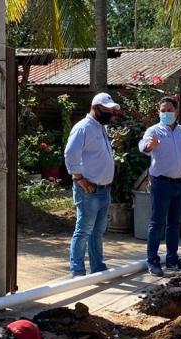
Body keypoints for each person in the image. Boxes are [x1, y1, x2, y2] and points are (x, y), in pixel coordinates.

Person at [138, 96, 181, 276]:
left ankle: (172, 259)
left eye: (169, 110)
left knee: (174, 223)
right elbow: (143, 146)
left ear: (176, 111)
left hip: (180, 184)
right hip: (161, 184)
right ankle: (153, 261)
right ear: (158, 112)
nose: (165, 113)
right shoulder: (154, 131)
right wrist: (149, 146)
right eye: (162, 111)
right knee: (156, 224)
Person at [64, 93, 120, 277]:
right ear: (95, 108)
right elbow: (71, 154)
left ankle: (97, 267)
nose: (111, 114)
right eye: (107, 110)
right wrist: (79, 178)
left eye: (112, 110)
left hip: (103, 189)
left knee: (97, 231)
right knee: (84, 231)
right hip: (88, 189)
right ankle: (77, 271)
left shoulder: (101, 128)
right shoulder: (83, 128)